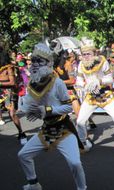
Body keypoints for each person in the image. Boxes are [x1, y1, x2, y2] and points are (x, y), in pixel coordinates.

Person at [18, 43, 87, 190]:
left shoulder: (58, 83)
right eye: (34, 61)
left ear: (48, 63)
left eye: (39, 61)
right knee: (23, 155)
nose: (35, 64)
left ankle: (82, 188)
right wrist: (26, 108)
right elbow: (29, 107)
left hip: (63, 129)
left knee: (75, 163)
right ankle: (33, 184)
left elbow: (68, 106)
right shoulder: (33, 84)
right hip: (46, 130)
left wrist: (47, 110)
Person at [75, 37, 114, 158]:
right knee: (80, 122)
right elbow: (78, 80)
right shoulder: (81, 64)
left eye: (88, 54)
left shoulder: (102, 61)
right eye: (84, 54)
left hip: (105, 96)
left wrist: (99, 81)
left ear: (94, 53)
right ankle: (84, 143)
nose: (86, 56)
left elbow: (111, 78)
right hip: (91, 98)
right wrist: (84, 86)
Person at [0, 43, 27, 145]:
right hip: (1, 92)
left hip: (10, 92)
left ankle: (21, 133)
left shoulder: (9, 68)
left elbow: (12, 82)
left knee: (12, 114)